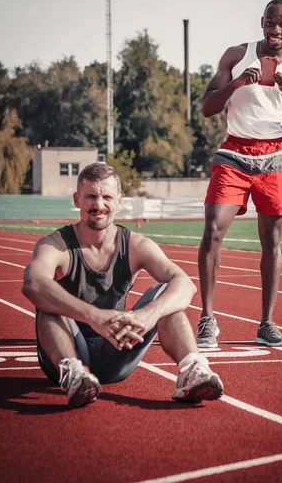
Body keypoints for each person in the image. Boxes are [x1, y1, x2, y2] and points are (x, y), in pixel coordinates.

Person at [22, 162, 223, 408]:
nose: (98, 205)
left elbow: (185, 284)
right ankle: (74, 374)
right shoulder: (56, 244)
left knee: (166, 295)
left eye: (106, 197)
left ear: (119, 201)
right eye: (90, 197)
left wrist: (149, 314)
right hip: (66, 351)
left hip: (117, 347)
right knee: (48, 300)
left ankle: (193, 369)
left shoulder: (135, 245)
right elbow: (32, 283)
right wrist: (93, 316)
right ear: (77, 200)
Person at [196, 0, 282, 349]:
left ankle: (266, 324)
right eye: (271, 22)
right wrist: (237, 84)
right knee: (213, 229)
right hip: (234, 151)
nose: (275, 29)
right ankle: (207, 320)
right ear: (262, 22)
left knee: (273, 242)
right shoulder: (236, 55)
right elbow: (206, 108)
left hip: (274, 156)